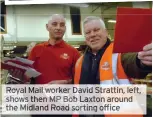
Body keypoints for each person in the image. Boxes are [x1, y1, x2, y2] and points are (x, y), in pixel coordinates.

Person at [73, 16, 152, 117]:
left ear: (106, 32)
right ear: (85, 37)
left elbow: (131, 62)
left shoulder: (118, 53)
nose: (92, 35)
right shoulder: (80, 62)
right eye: (88, 32)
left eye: (96, 30)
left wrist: (141, 61)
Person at [28, 14, 80, 84]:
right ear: (47, 27)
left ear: (65, 28)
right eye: (54, 24)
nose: (58, 28)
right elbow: (28, 75)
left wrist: (65, 83)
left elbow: (79, 79)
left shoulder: (74, 52)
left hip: (64, 94)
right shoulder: (36, 50)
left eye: (62, 25)